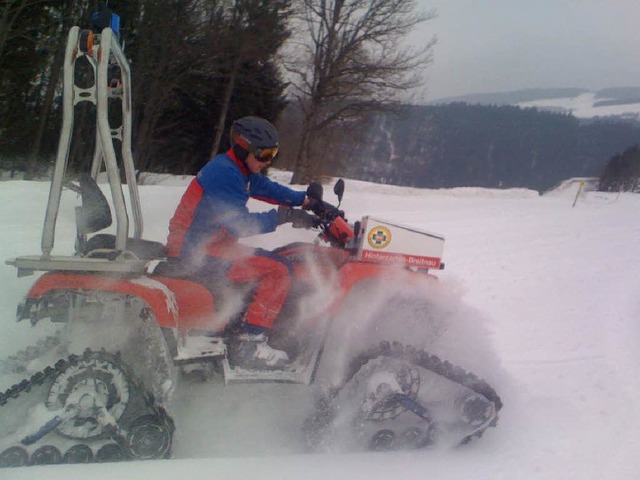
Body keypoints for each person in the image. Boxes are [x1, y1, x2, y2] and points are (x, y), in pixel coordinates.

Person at [165, 116, 315, 369]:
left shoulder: (238, 169)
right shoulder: (224, 173)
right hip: (196, 251)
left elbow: (268, 189)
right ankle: (250, 345)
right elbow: (241, 224)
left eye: (273, 154)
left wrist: (306, 200)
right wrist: (284, 216)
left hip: (211, 244)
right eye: (263, 154)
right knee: (278, 269)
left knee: (273, 260)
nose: (268, 161)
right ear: (243, 148)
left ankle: (245, 324)